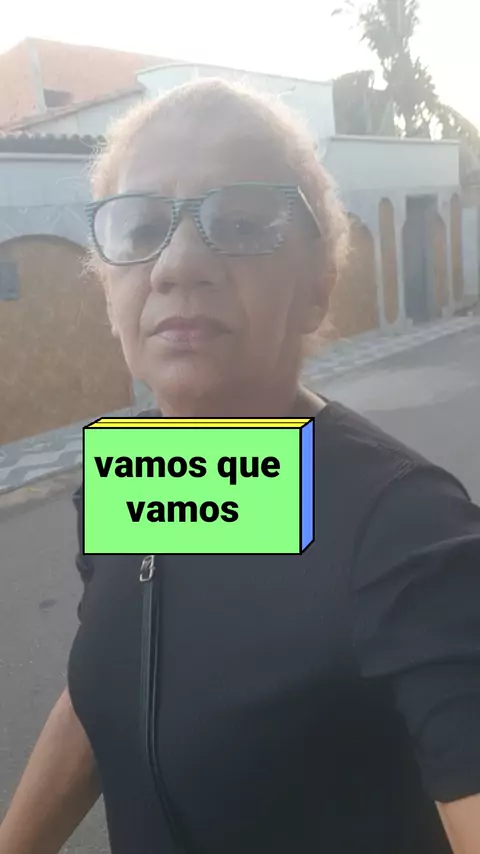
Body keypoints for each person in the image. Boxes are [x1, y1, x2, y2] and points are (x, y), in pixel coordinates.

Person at [1, 78, 480, 854]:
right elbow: (105, 676)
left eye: (241, 223)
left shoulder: (408, 531)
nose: (179, 263)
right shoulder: (129, 471)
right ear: (109, 284)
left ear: (318, 284)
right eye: (142, 226)